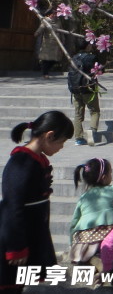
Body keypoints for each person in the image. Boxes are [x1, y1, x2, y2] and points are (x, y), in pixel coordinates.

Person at [0, 111, 74, 292]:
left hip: (33, 231)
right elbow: (12, 205)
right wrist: (16, 246)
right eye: (62, 142)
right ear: (49, 136)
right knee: (12, 285)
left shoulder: (35, 160)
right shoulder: (22, 162)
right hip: (19, 235)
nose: (62, 147)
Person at [69, 158, 113, 265]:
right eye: (110, 173)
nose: (111, 176)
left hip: (82, 238)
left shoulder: (84, 197)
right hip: (104, 236)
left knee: (86, 251)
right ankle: (100, 259)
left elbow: (74, 222)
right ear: (104, 177)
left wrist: (72, 243)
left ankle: (86, 257)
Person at [67, 42, 101, 146]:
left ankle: (78, 138)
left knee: (78, 114)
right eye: (90, 44)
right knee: (95, 111)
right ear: (87, 46)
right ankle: (91, 131)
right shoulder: (91, 58)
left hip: (76, 89)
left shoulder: (73, 58)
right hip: (88, 88)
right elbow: (99, 70)